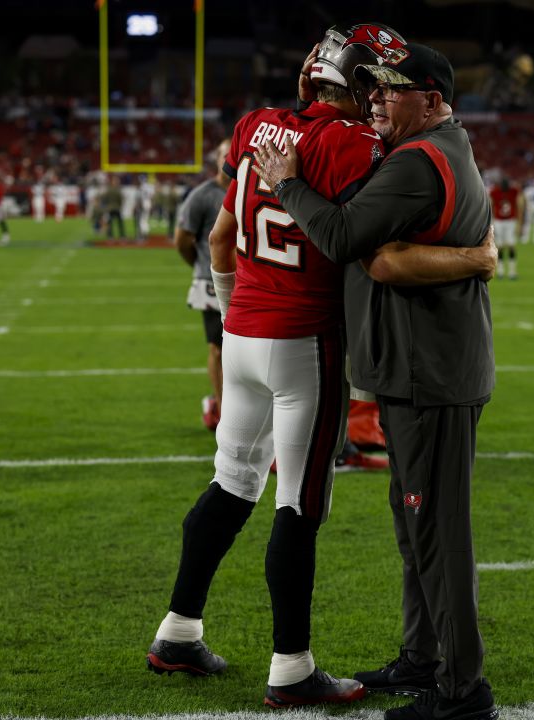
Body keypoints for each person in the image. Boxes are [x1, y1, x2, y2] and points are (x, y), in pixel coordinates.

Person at [147, 23, 408, 709]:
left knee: (232, 484)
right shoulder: (357, 144)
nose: (381, 100)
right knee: (298, 505)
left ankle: (179, 630)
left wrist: (236, 314)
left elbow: (219, 235)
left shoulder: (252, 127)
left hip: (243, 333)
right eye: (375, 86)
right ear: (354, 86)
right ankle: (292, 667)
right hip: (304, 342)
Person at [253, 41, 499, 720]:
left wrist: (287, 182)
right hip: (417, 368)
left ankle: (462, 690)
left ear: (433, 98)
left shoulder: (421, 161)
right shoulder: (437, 147)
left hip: (431, 374)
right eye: (375, 91)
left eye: (395, 89)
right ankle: (423, 659)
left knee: (439, 533)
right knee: (415, 521)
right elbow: (379, 257)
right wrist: (460, 258)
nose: (379, 100)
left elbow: (337, 235)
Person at [173, 138, 231, 432]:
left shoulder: (249, 188)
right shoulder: (202, 195)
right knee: (219, 348)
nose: (229, 158)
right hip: (212, 281)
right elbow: (182, 240)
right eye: (224, 154)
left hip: (247, 282)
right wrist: (202, 268)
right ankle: (222, 409)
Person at [489, 178, 521, 280]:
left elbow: (519, 204)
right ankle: (501, 271)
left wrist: (519, 223)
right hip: (499, 221)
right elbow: (491, 205)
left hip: (510, 221)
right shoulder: (495, 192)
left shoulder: (514, 191)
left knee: (511, 245)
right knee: (500, 246)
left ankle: (512, 272)